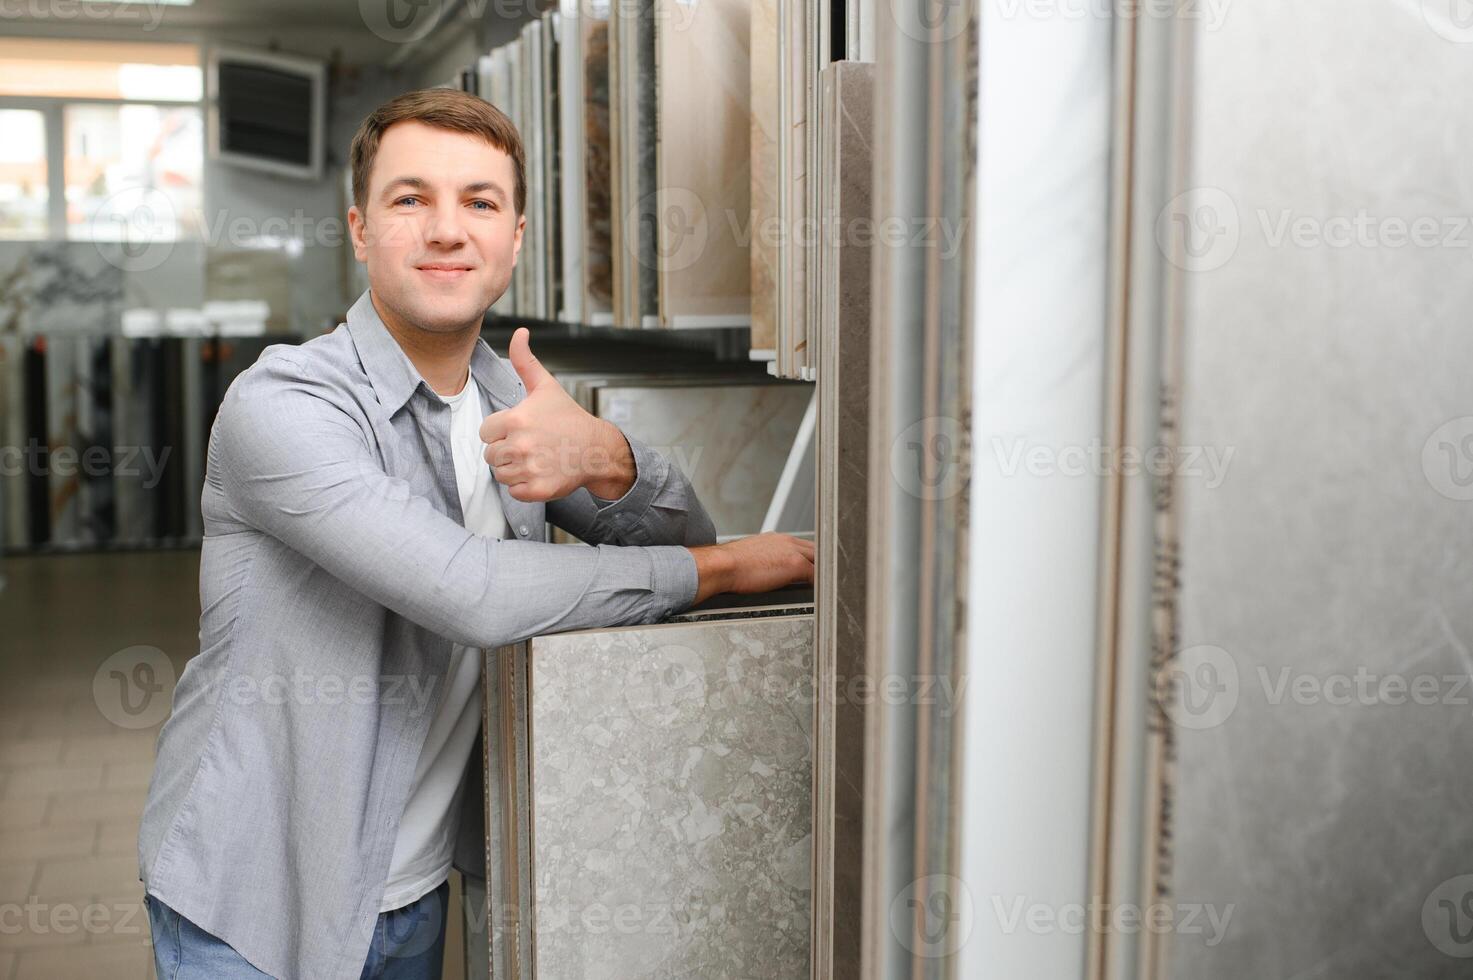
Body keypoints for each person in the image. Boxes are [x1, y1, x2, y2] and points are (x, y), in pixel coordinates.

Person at [136, 88, 814, 980]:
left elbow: (685, 524)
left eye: (479, 202)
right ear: (360, 228)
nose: (447, 230)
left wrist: (606, 455)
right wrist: (721, 571)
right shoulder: (283, 406)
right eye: (410, 198)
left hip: (414, 895)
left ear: (516, 237)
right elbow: (473, 590)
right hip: (256, 899)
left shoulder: (510, 400)